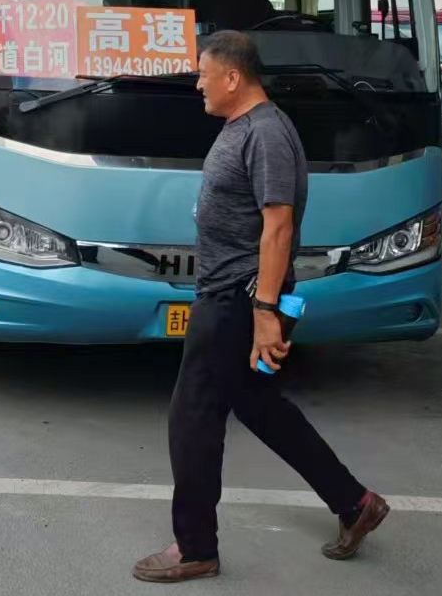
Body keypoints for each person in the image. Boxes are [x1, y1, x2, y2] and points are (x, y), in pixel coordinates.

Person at [134, 31, 387, 584]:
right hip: (238, 297)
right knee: (259, 406)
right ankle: (354, 501)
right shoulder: (244, 128)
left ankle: (195, 547)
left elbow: (279, 226)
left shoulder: (266, 133)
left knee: (192, 419)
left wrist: (265, 312)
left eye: (204, 73)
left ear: (232, 77)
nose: (197, 83)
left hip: (238, 300)